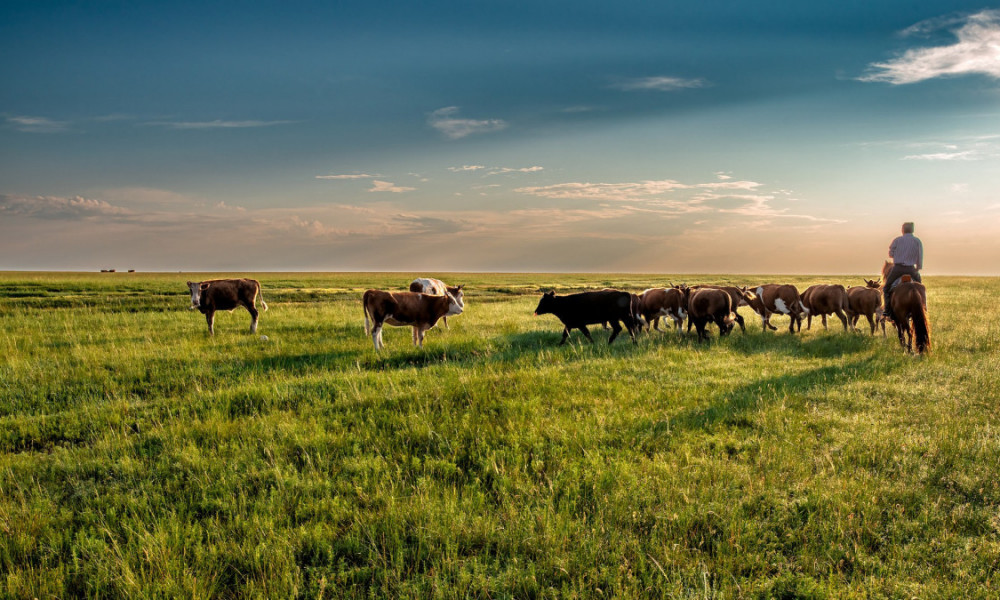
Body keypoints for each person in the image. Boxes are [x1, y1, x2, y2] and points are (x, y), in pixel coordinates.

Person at [883, 222, 923, 321]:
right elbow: (920, 256)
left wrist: (898, 255)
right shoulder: (917, 241)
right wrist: (918, 268)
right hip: (911, 269)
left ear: (902, 230)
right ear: (912, 230)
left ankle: (887, 310)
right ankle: (923, 308)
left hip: (898, 269)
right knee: (920, 288)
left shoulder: (897, 240)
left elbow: (891, 254)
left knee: (886, 288)